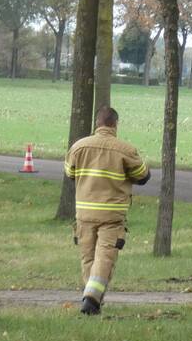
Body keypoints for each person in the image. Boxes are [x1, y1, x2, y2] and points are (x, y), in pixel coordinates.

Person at [64, 106, 150, 315]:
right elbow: (143, 176)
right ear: (115, 125)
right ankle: (92, 299)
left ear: (97, 123)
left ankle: (90, 299)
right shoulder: (125, 149)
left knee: (87, 257)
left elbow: (69, 172)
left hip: (84, 212)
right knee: (104, 257)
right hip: (112, 214)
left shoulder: (78, 147)